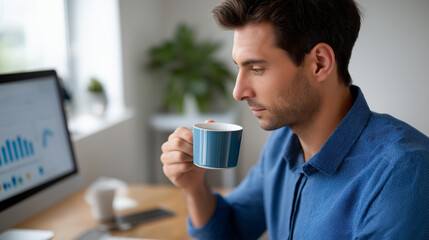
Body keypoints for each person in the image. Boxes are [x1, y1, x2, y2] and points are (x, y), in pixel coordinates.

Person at [160, 0, 429, 239]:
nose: (238, 92)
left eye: (256, 68)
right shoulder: (283, 143)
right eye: (239, 68)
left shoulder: (403, 174)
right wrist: (194, 187)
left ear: (319, 63)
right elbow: (230, 229)